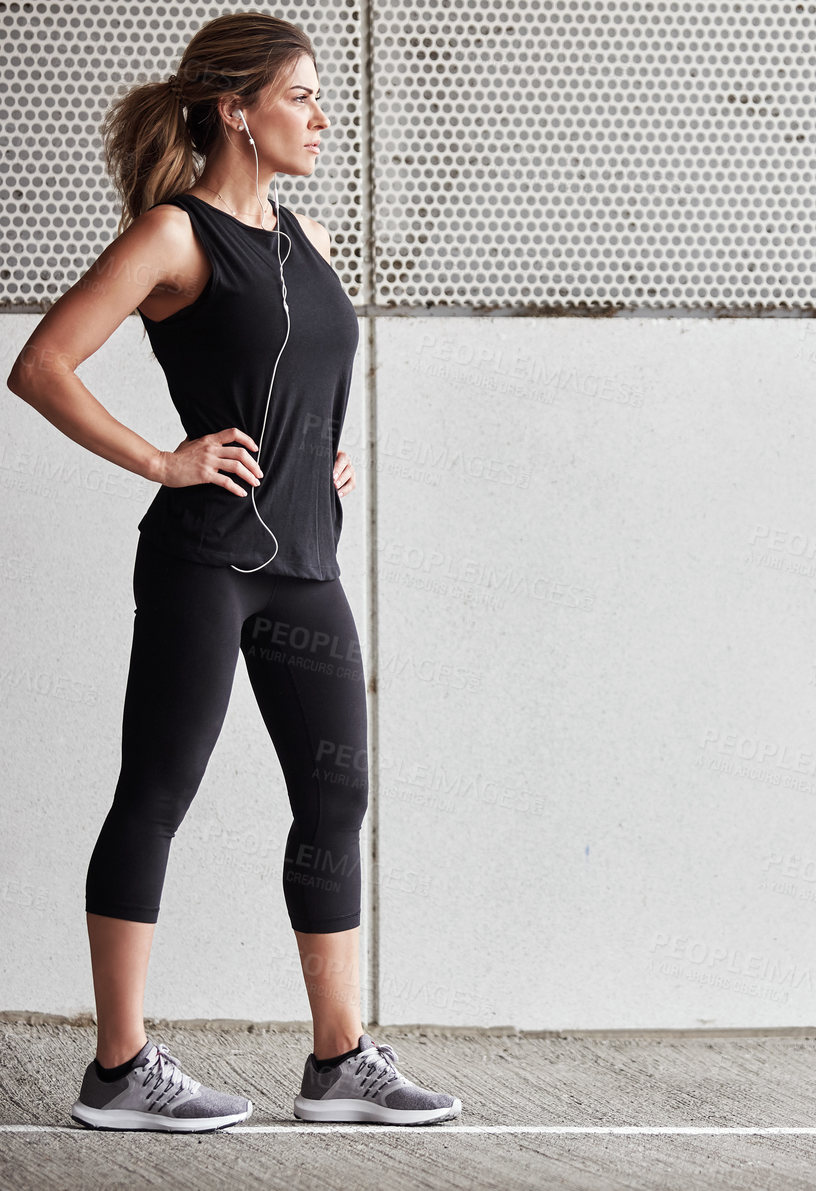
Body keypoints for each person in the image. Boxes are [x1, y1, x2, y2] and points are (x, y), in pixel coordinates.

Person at [5, 12, 461, 1131]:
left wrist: (321, 454)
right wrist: (165, 459)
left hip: (305, 561)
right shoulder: (174, 235)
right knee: (157, 793)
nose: (319, 115)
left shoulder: (302, 234)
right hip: (207, 561)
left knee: (334, 799)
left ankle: (339, 1059)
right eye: (299, 95)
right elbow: (43, 364)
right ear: (235, 110)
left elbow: (299, 372)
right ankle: (117, 1070)